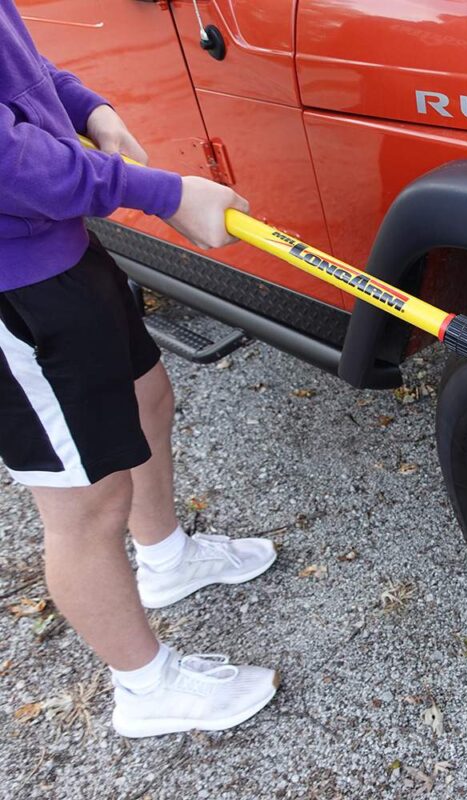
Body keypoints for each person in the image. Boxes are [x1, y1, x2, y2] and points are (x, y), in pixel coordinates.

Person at [0, 1, 280, 738]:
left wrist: (92, 108)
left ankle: (166, 560)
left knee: (147, 396)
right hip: (12, 290)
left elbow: (21, 70)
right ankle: (146, 688)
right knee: (85, 502)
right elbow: (7, 160)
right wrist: (165, 194)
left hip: (57, 249)